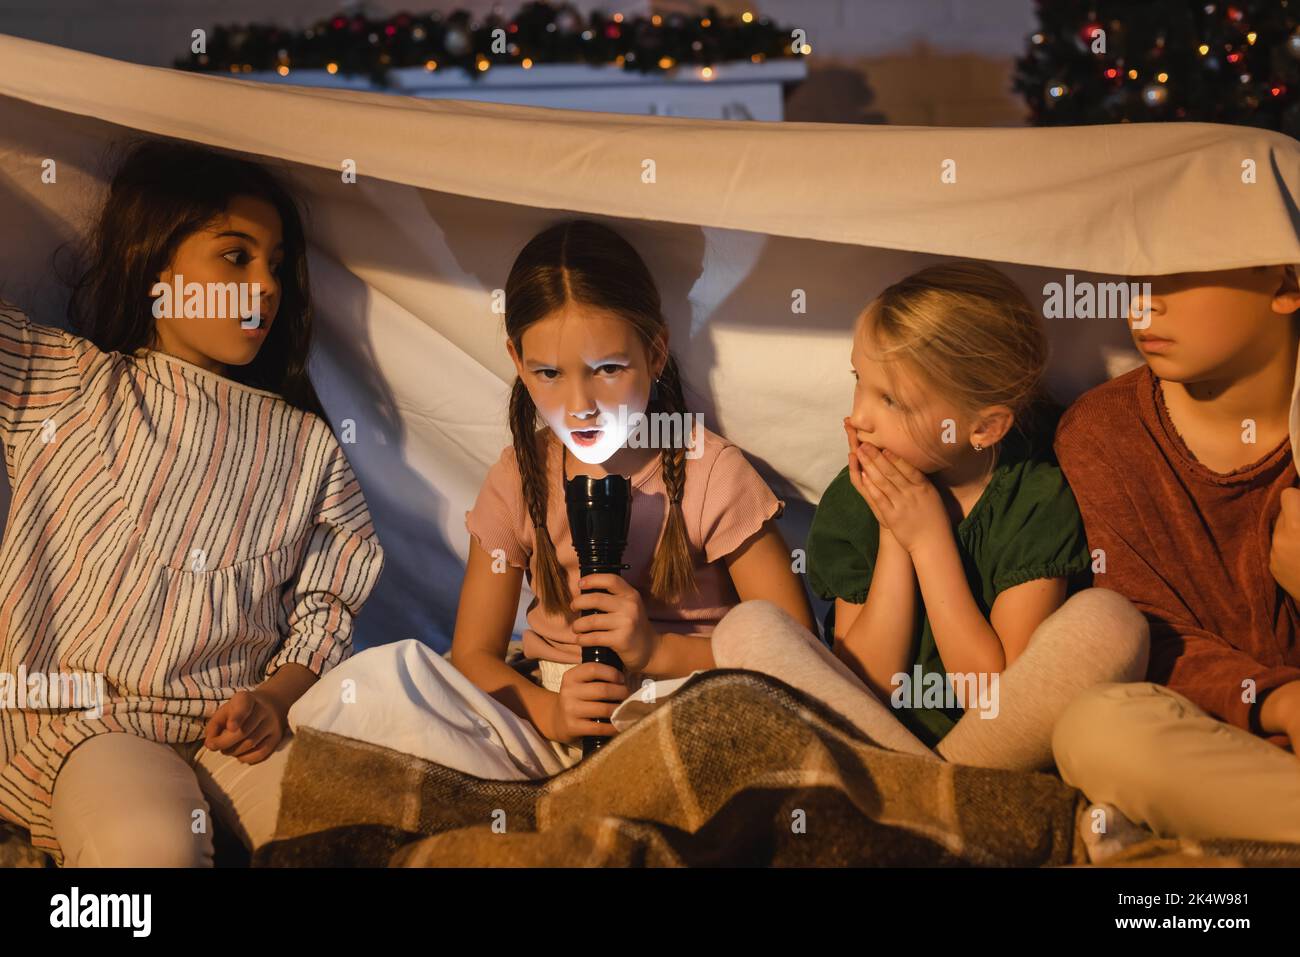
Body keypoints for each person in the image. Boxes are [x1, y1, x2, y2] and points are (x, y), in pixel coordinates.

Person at [0, 140, 385, 866]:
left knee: (365, 827)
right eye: (235, 256)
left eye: (276, 266)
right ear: (155, 270)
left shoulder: (307, 446)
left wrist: (273, 698)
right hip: (98, 730)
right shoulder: (64, 384)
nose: (266, 286)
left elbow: (326, 608)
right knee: (151, 849)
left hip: (244, 736)